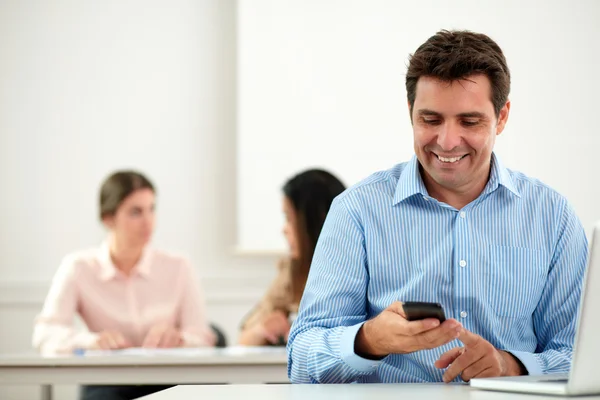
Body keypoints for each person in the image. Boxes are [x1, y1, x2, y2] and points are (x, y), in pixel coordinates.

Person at [287, 30, 588, 384]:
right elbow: (301, 361)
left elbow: (579, 356)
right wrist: (368, 340)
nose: (446, 141)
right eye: (430, 120)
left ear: (502, 117)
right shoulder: (357, 211)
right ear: (410, 112)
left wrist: (510, 366)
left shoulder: (552, 217)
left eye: (469, 121)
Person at [33, 171, 215, 400]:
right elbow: (45, 334)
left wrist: (180, 339)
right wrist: (92, 341)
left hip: (169, 380)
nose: (149, 221)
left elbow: (203, 336)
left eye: (152, 209)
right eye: (135, 212)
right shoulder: (79, 267)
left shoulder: (179, 266)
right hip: (107, 381)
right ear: (108, 218)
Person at [238, 169, 346, 346]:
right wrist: (264, 329)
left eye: (289, 218)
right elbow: (244, 339)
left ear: (314, 222)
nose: (284, 229)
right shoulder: (290, 271)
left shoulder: (355, 269)